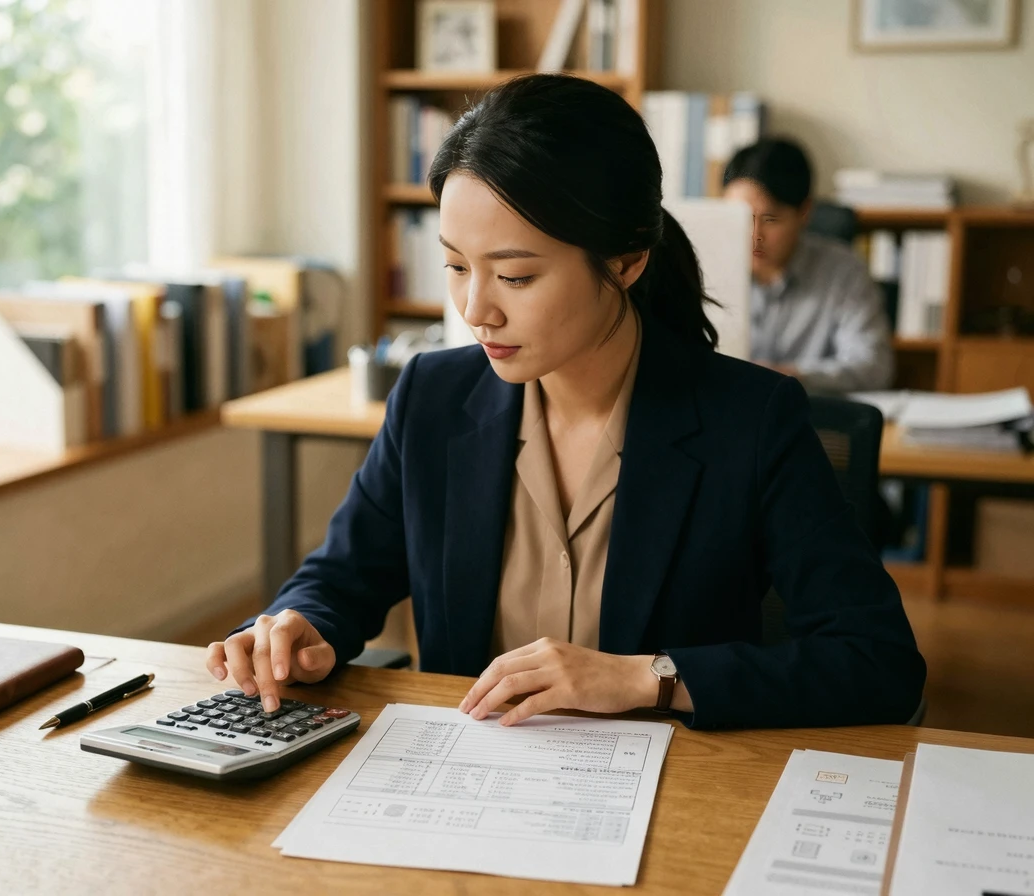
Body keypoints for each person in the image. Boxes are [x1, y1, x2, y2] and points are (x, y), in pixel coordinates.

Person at [207, 75, 925, 731]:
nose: (475, 310)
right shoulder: (431, 397)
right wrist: (301, 624)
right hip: (462, 788)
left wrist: (652, 678)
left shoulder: (753, 419)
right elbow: (341, 576)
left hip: (668, 803)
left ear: (626, 260)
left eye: (515, 276)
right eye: (457, 266)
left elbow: (879, 661)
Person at [722, 138, 895, 394]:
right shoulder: (701, 265)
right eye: (741, 217)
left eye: (771, 219)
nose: (754, 235)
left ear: (804, 211)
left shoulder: (843, 271)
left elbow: (874, 366)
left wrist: (793, 377)